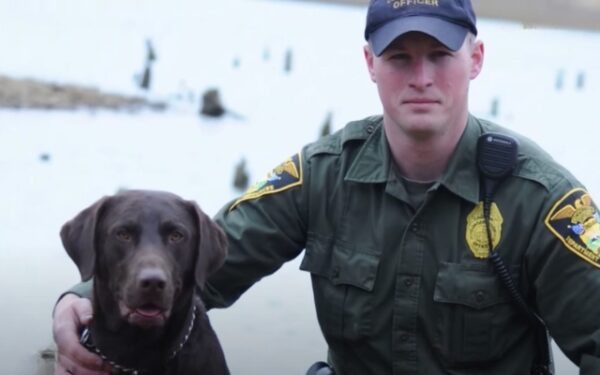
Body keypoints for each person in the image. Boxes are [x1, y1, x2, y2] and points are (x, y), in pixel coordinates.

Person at [53, 0, 600, 374]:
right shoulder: (322, 174)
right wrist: (76, 303)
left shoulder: (540, 199)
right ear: (370, 64)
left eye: (439, 55)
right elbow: (204, 268)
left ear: (475, 59)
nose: (422, 77)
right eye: (399, 58)